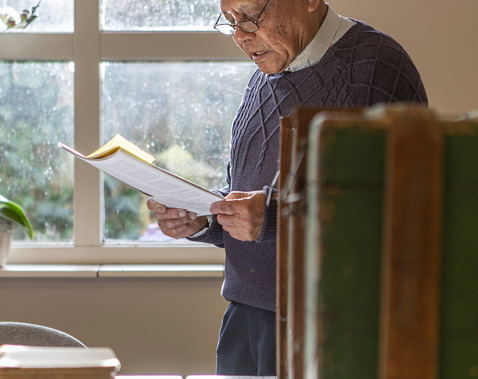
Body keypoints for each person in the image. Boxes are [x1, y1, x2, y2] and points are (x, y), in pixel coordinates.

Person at [147, 0, 428, 375]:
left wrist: (273, 217)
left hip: (334, 330)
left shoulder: (378, 66)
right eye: (231, 22)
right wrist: (204, 219)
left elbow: (405, 211)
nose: (242, 36)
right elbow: (251, 201)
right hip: (244, 320)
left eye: (252, 16)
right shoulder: (262, 77)